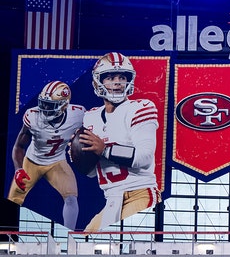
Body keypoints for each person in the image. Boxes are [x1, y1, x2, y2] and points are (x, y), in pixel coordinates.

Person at [76, 52, 161, 231]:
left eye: (122, 77)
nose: (117, 82)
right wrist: (79, 155)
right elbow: (92, 173)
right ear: (97, 82)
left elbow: (144, 157)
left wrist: (105, 149)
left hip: (140, 194)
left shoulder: (140, 108)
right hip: (111, 198)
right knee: (82, 244)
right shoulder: (90, 117)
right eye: (110, 77)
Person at [7, 81, 84, 229]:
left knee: (71, 199)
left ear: (63, 105)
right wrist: (18, 169)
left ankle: (70, 238)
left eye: (50, 105)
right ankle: (6, 237)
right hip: (31, 162)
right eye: (43, 103)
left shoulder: (78, 115)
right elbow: (19, 146)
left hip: (57, 162)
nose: (44, 108)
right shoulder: (32, 116)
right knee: (13, 200)